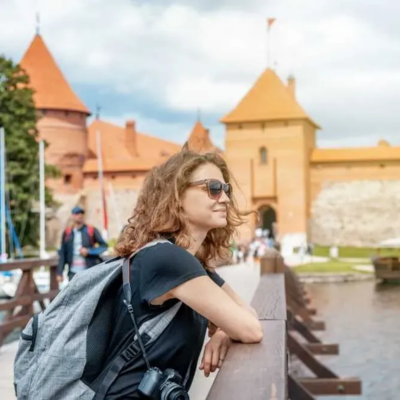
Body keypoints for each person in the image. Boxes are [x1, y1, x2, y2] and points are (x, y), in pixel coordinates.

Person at [100, 147, 263, 399]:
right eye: (212, 188)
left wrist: (222, 331)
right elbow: (251, 329)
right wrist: (230, 327)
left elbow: (247, 316)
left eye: (225, 189)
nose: (225, 199)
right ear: (177, 195)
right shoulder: (169, 260)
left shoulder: (187, 262)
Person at [57, 206, 108, 282]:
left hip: (89, 271)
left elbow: (104, 246)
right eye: (77, 213)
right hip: (72, 272)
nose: (80, 215)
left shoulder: (91, 230)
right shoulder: (67, 232)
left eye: (81, 213)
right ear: (72, 216)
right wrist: (59, 273)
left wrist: (89, 251)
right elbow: (63, 253)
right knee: (73, 293)